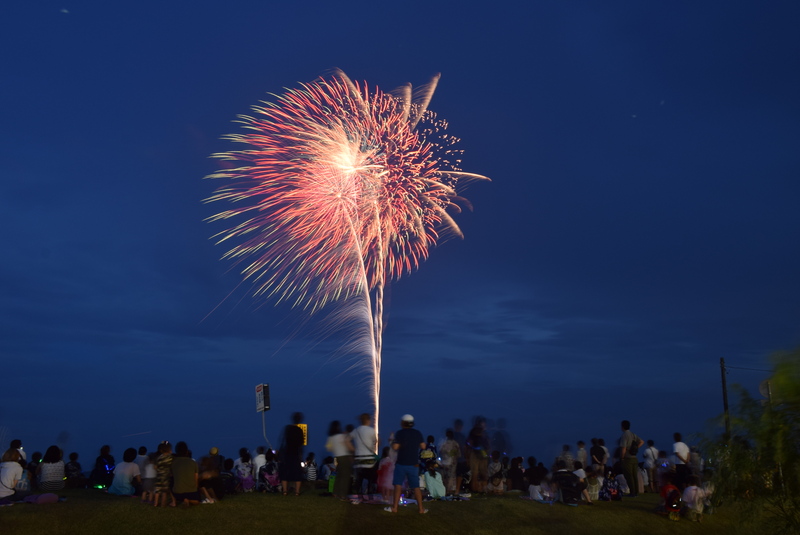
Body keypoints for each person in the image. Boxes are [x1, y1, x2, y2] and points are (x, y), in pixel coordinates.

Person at [384, 414, 428, 514]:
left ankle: (394, 508)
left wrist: (391, 442)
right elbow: (423, 446)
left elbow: (395, 447)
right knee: (416, 486)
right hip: (414, 464)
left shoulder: (400, 433)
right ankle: (421, 509)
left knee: (398, 485)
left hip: (401, 463)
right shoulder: (417, 433)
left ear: (403, 423)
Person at [351, 413, 378, 497]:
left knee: (359, 480)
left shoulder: (356, 431)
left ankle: (357, 496)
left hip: (358, 459)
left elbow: (346, 440)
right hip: (369, 460)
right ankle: (369, 496)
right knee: (370, 479)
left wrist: (353, 450)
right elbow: (377, 441)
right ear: (368, 420)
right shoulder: (371, 431)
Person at [326, 420, 354, 499]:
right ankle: (343, 495)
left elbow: (329, 448)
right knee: (345, 476)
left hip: (337, 457)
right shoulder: (342, 436)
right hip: (345, 457)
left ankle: (335, 492)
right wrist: (353, 451)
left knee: (339, 476)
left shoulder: (331, 437)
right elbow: (349, 446)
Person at [279, 412, 305, 497]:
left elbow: (282, 441)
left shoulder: (287, 428)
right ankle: (297, 492)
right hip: (296, 453)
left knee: (285, 472)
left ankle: (285, 491)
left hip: (287, 452)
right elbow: (301, 444)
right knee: (297, 473)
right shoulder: (300, 430)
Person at [618, 420, 643, 497]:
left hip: (628, 458)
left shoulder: (624, 435)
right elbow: (641, 441)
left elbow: (623, 448)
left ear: (622, 426)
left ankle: (632, 493)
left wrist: (622, 457)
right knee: (634, 475)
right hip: (634, 458)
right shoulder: (632, 434)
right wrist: (635, 448)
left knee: (629, 476)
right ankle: (636, 492)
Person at [466, 417, 490, 493]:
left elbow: (487, 444)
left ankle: (481, 489)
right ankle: (476, 489)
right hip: (477, 453)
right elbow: (469, 443)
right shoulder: (475, 432)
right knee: (476, 473)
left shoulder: (483, 433)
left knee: (481, 473)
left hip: (482, 453)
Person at [439, 429, 460, 494]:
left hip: (447, 463)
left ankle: (446, 490)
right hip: (451, 463)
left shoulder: (443, 443)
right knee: (450, 477)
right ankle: (449, 490)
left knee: (446, 477)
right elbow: (458, 454)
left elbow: (439, 451)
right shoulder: (455, 443)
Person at [153, 442, 174, 507]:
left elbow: (155, 467)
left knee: (158, 490)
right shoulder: (171, 457)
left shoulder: (159, 458)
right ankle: (163, 504)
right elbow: (172, 466)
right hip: (167, 476)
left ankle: (155, 503)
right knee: (164, 491)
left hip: (159, 475)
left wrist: (158, 471)